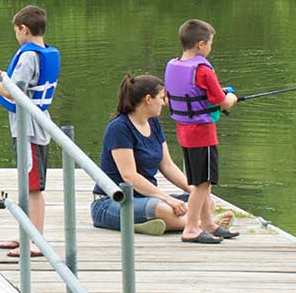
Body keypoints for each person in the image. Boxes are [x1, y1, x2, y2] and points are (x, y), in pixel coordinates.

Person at [0, 5, 60, 257]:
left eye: (16, 32)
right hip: (32, 127)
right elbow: (16, 82)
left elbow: (13, 92)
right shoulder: (43, 52)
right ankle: (26, 234)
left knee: (33, 187)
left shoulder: (28, 55)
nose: (16, 36)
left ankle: (36, 241)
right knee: (26, 184)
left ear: (24, 29)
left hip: (29, 131)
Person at [90, 74, 206, 241]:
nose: (165, 103)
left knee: (202, 199)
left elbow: (167, 165)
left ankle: (172, 222)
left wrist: (193, 190)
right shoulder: (119, 128)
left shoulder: (153, 123)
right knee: (161, 208)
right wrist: (167, 198)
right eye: (161, 97)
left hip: (145, 198)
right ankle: (199, 223)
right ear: (148, 99)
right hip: (111, 202)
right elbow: (129, 176)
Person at [163, 19, 239, 243]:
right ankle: (191, 228)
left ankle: (209, 224)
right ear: (201, 45)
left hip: (184, 132)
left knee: (200, 179)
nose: (210, 47)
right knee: (202, 183)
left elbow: (171, 97)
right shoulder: (203, 69)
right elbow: (223, 102)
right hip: (203, 134)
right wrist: (232, 97)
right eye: (211, 43)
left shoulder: (172, 65)